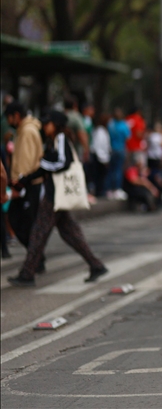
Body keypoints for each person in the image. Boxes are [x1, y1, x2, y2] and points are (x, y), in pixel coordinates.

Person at [7, 110, 108, 287]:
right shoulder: (53, 141)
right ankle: (96, 265)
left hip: (55, 196)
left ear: (56, 125)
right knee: (71, 234)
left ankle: (27, 274)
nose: (45, 126)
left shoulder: (61, 139)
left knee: (39, 234)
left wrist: (43, 163)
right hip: (56, 196)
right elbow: (46, 167)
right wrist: (25, 179)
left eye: (48, 123)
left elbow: (63, 162)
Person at [4, 101, 43, 248]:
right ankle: (36, 258)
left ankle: (36, 258)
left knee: (24, 223)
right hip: (25, 184)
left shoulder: (27, 132)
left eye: (9, 117)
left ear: (16, 116)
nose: (8, 121)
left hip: (27, 185)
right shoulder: (23, 130)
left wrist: (18, 184)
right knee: (24, 222)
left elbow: (25, 163)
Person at [107, 108, 130, 200]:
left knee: (111, 170)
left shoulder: (111, 125)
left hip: (111, 150)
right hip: (120, 149)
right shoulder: (123, 125)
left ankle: (109, 189)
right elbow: (127, 137)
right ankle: (117, 189)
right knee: (118, 170)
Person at [89, 113, 112, 198]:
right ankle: (99, 192)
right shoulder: (100, 132)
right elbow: (98, 147)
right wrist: (103, 159)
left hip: (102, 157)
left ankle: (101, 191)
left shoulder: (103, 131)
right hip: (100, 158)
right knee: (99, 177)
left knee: (101, 176)